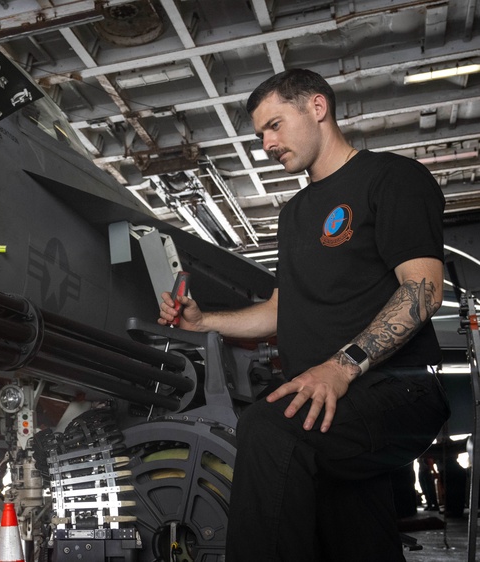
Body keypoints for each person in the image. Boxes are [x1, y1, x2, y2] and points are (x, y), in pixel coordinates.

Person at [159, 68, 449, 561]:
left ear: (317, 107)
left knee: (268, 430)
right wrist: (203, 322)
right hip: (327, 405)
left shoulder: (390, 177)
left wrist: (341, 366)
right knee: (355, 538)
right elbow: (278, 310)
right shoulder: (293, 214)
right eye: (259, 135)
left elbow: (423, 290)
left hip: (394, 388)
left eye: (275, 125)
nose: (267, 144)